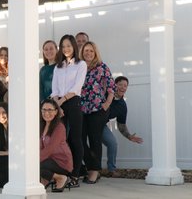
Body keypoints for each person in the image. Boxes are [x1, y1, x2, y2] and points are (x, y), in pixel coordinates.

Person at [51, 34, 87, 188]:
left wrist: (61, 102)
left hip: (73, 103)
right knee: (59, 140)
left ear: (74, 47)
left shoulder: (81, 65)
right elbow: (54, 89)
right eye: (63, 46)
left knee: (75, 139)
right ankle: (62, 174)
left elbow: (77, 87)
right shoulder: (58, 67)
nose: (66, 49)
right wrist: (57, 105)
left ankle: (75, 175)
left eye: (68, 46)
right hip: (58, 103)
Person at [80, 41, 115, 184]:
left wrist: (107, 104)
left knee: (95, 139)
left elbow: (111, 87)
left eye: (91, 51)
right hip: (82, 108)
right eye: (86, 51)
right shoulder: (79, 68)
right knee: (79, 139)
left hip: (97, 109)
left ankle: (94, 171)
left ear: (95, 53)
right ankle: (90, 166)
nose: (88, 53)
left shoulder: (102, 67)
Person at [102, 76, 143, 177]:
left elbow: (121, 125)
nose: (123, 87)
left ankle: (111, 170)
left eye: (125, 86)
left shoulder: (122, 105)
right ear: (114, 85)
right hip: (87, 121)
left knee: (112, 143)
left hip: (101, 126)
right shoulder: (104, 94)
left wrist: (129, 136)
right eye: (120, 84)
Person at [40, 98, 73, 192]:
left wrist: (32, 160)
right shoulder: (41, 125)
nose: (46, 113)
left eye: (50, 110)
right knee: (32, 165)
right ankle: (46, 179)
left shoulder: (59, 127)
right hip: (48, 160)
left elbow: (50, 149)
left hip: (62, 162)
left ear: (56, 111)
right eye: (44, 110)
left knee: (34, 165)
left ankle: (61, 178)